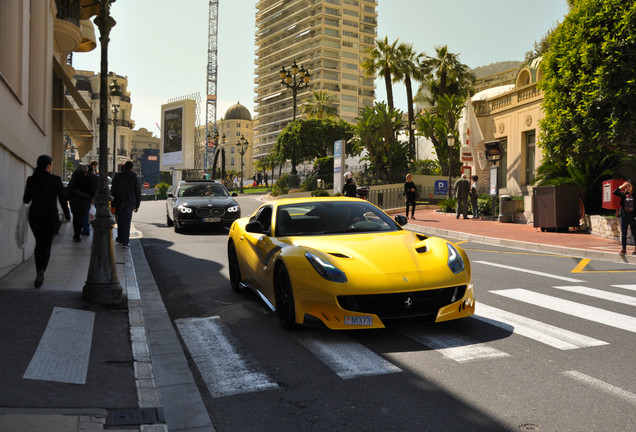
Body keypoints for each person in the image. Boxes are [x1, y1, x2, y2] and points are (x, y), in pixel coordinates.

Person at [22, 155, 71, 288]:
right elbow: (62, 199)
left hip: (35, 215)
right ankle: (41, 271)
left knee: (39, 243)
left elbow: (26, 200)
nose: (53, 166)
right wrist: (67, 215)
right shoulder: (55, 179)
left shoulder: (32, 179)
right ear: (48, 165)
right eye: (52, 164)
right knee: (46, 245)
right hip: (50, 216)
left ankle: (39, 271)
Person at [111, 161, 141, 249]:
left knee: (119, 221)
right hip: (129, 202)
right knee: (127, 222)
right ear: (131, 168)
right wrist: (137, 204)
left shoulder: (117, 177)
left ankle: (120, 238)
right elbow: (137, 192)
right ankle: (125, 242)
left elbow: (113, 190)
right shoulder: (134, 177)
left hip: (118, 201)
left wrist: (113, 203)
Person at [67, 164, 94, 242]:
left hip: (74, 200)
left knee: (75, 217)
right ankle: (77, 235)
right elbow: (91, 191)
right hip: (84, 201)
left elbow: (69, 189)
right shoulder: (88, 180)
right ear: (86, 171)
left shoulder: (74, 179)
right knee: (81, 218)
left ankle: (76, 234)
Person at [613, 180, 636, 255]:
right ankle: (623, 249)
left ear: (632, 187)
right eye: (626, 186)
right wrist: (621, 186)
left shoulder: (634, 195)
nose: (628, 188)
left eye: (629, 186)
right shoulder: (624, 194)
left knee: (634, 233)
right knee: (624, 233)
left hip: (633, 217)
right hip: (624, 216)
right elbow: (615, 192)